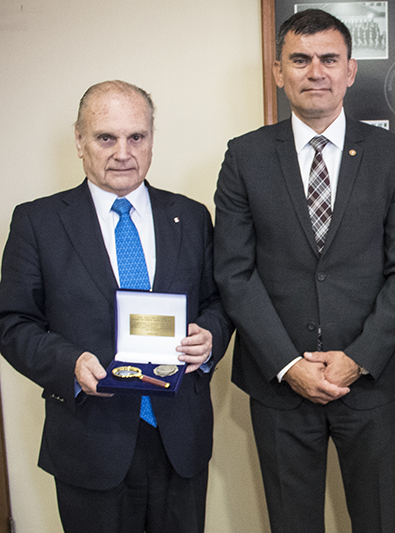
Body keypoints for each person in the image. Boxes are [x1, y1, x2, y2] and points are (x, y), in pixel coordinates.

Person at [213, 9, 395, 533]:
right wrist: (289, 365)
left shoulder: (394, 156)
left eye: (329, 59)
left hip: (369, 383)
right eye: (300, 60)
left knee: (378, 522)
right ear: (278, 71)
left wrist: (357, 358)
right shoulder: (244, 157)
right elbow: (234, 273)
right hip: (280, 385)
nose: (316, 72)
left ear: (350, 71)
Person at [0, 80, 234, 532]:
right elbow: (13, 322)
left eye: (136, 137)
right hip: (90, 441)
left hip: (179, 438)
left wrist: (210, 337)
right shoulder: (37, 222)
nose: (123, 153)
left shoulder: (190, 216)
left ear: (151, 139)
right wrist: (69, 363)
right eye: (106, 137)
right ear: (79, 140)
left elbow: (218, 302)